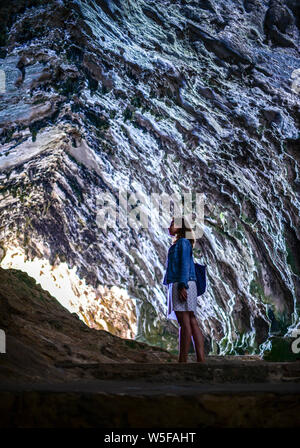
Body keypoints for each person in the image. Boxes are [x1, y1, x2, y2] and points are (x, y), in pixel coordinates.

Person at [163, 216, 205, 363]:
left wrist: (182, 286)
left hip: (183, 283)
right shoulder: (183, 243)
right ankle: (200, 360)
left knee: (184, 322)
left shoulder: (182, 243)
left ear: (180, 227)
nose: (169, 227)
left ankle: (183, 360)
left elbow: (184, 265)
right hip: (187, 283)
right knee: (192, 320)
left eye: (172, 224)